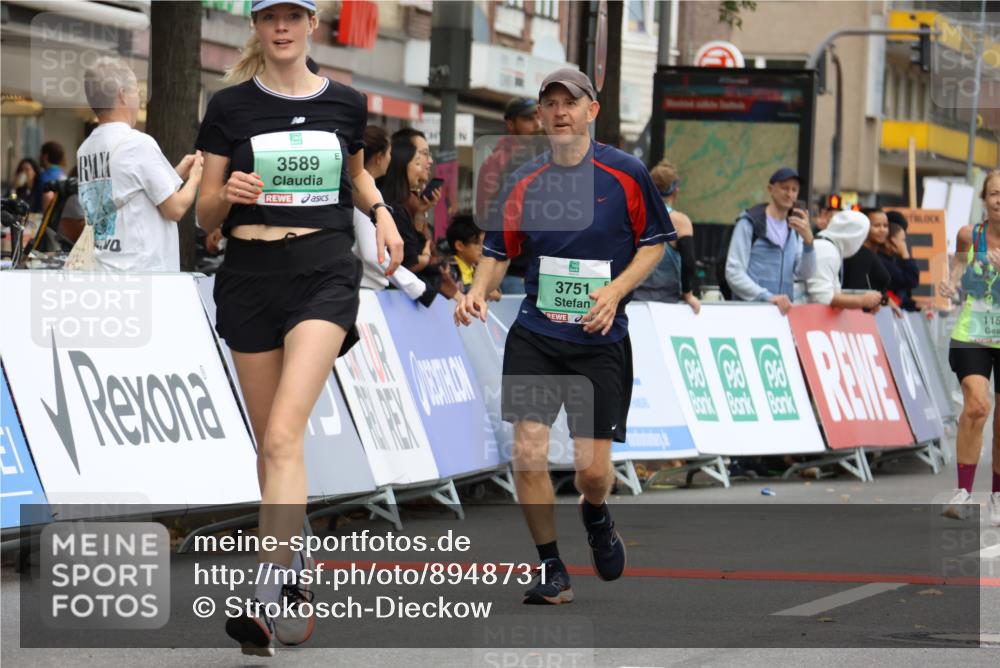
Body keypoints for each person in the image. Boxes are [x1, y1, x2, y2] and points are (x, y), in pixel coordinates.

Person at [194, 0, 403, 654]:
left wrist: (382, 213)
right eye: (268, 17)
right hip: (249, 275)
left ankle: (263, 599)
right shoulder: (229, 108)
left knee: (285, 433)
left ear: (314, 24)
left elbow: (355, 171)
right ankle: (295, 571)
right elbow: (202, 215)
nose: (280, 27)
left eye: (293, 16)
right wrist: (226, 199)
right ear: (256, 27)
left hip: (322, 270)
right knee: (272, 448)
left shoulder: (346, 102)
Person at [455, 68, 674, 604]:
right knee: (526, 453)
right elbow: (497, 250)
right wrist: (479, 290)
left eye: (569, 103)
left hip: (599, 341)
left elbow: (654, 244)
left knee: (591, 472)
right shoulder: (524, 181)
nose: (558, 113)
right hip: (537, 333)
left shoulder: (626, 174)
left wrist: (615, 291)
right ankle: (552, 568)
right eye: (548, 104)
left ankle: (596, 514)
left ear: (591, 111)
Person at [77, 57, 203, 271]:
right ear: (122, 95)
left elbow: (131, 190)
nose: (139, 99)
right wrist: (196, 177)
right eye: (136, 90)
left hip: (104, 269)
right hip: (143, 274)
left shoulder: (85, 149)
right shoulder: (137, 143)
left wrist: (175, 174)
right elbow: (175, 209)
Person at [940, 168, 1000, 526]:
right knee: (977, 405)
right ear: (984, 199)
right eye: (994, 194)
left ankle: (997, 497)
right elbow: (958, 266)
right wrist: (951, 284)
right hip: (972, 334)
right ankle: (962, 493)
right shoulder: (970, 235)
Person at [352, 124, 435, 305]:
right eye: (389, 153)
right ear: (379, 158)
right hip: (365, 294)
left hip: (367, 291)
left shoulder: (367, 190)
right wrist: (417, 287)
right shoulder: (365, 194)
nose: (392, 159)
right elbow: (374, 254)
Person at [378, 127, 459, 299]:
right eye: (422, 155)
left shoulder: (413, 202)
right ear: (402, 159)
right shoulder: (389, 203)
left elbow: (420, 247)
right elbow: (410, 260)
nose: (429, 161)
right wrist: (425, 259)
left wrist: (421, 212)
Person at [724, 167, 816, 314]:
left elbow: (805, 274)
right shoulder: (750, 222)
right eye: (785, 188)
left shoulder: (795, 228)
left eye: (794, 189)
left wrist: (809, 243)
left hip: (781, 316)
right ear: (770, 189)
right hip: (750, 313)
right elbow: (733, 272)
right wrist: (766, 297)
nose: (790, 194)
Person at [475, 96, 543, 295]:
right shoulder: (498, 161)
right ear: (510, 124)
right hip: (513, 267)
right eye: (528, 119)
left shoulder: (547, 154)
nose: (537, 123)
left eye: (538, 117)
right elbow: (487, 213)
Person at [633, 159, 700, 313]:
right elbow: (688, 263)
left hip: (634, 298)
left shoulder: (633, 216)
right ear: (676, 190)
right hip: (668, 301)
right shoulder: (680, 222)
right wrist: (688, 294)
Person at [805, 210, 883, 311]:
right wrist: (862, 300)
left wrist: (864, 302)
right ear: (854, 236)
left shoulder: (830, 247)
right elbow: (822, 297)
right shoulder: (826, 251)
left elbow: (834, 293)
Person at [842, 207, 891, 296]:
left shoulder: (874, 253)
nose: (882, 230)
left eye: (885, 225)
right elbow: (856, 290)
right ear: (863, 227)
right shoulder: (859, 254)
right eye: (876, 225)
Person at [880, 210, 920, 311]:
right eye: (902, 240)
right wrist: (905, 255)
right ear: (891, 239)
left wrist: (915, 305)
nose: (904, 244)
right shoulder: (881, 262)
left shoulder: (892, 260)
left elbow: (900, 295)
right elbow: (910, 280)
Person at [38, 141, 66, 211]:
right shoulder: (64, 175)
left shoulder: (43, 177)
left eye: (40, 154)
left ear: (45, 156)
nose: (38, 157)